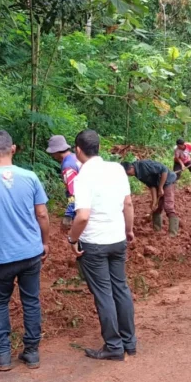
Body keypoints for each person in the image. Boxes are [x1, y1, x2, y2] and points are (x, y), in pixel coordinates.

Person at [0, 130, 50, 372]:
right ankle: (32, 353)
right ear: (13, 149)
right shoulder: (31, 177)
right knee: (31, 301)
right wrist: (45, 242)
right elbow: (43, 214)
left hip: (2, 256)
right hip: (30, 252)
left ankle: (3, 354)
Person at [68, 130, 137, 361]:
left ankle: (114, 346)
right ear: (99, 147)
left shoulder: (82, 177)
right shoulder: (117, 169)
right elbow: (128, 203)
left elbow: (83, 216)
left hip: (94, 244)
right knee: (121, 288)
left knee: (103, 294)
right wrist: (128, 230)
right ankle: (130, 342)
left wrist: (72, 239)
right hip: (117, 239)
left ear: (78, 150)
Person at [121, 159, 179, 236]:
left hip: (167, 180)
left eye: (128, 173)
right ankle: (157, 230)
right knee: (156, 207)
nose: (129, 175)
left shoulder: (144, 165)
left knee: (168, 207)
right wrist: (154, 201)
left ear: (131, 167)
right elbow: (151, 185)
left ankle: (173, 233)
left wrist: (161, 187)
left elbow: (164, 170)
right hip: (157, 184)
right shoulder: (137, 174)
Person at [46, 135, 80, 227]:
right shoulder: (75, 157)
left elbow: (74, 193)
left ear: (56, 151)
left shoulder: (68, 166)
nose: (52, 155)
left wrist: (69, 214)